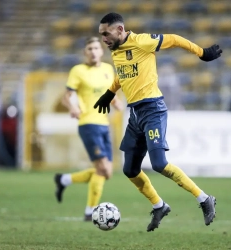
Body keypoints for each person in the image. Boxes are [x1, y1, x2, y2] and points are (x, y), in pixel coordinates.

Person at [94, 13, 222, 232]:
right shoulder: (116, 51)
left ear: (119, 30)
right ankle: (159, 206)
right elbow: (123, 74)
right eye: (101, 34)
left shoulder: (143, 42)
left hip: (153, 109)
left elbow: (173, 38)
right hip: (135, 113)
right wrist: (109, 92)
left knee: (159, 164)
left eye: (106, 33)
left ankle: (204, 198)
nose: (103, 39)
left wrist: (202, 52)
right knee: (130, 170)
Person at [54, 37, 122, 221]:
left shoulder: (108, 70)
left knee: (105, 172)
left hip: (104, 124)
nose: (93, 51)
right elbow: (65, 98)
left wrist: (116, 102)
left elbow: (108, 93)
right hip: (88, 123)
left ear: (101, 51)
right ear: (85, 52)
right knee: (103, 170)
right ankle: (89, 212)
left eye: (96, 48)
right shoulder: (78, 71)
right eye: (89, 48)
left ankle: (64, 180)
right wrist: (73, 107)